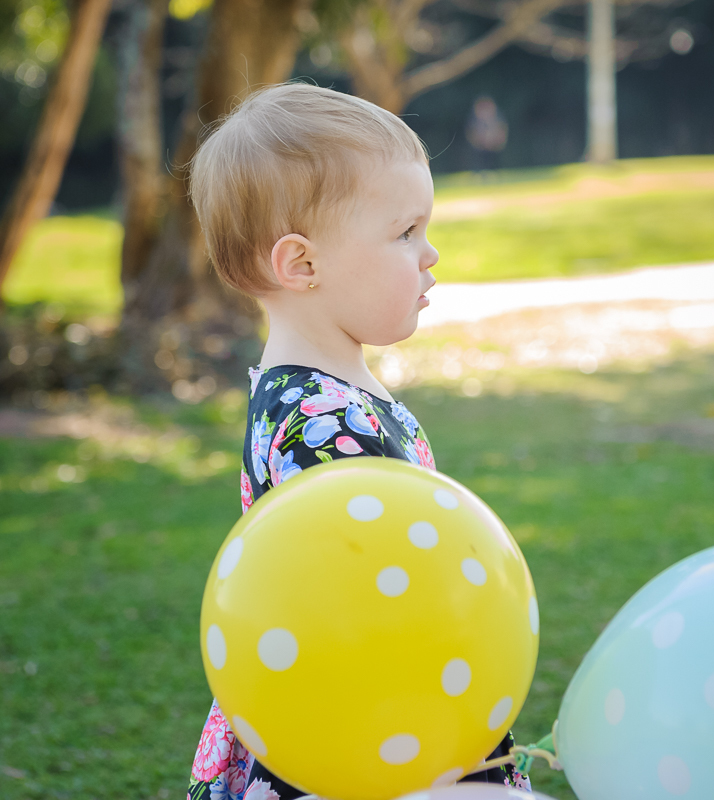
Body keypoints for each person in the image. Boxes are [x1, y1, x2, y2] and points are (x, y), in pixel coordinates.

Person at [184, 83, 531, 800]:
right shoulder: (321, 424)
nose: (430, 253)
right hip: (356, 734)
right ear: (301, 266)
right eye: (404, 233)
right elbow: (363, 618)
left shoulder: (326, 394)